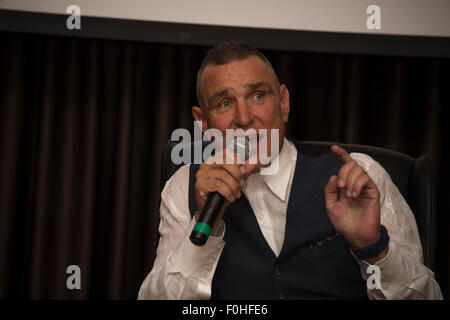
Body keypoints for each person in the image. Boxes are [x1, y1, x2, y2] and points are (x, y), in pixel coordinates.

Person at [138, 41, 442, 300]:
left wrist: (373, 246)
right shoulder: (184, 185)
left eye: (258, 95)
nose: (244, 118)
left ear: (283, 102)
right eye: (225, 102)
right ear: (203, 122)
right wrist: (204, 223)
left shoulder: (359, 173)